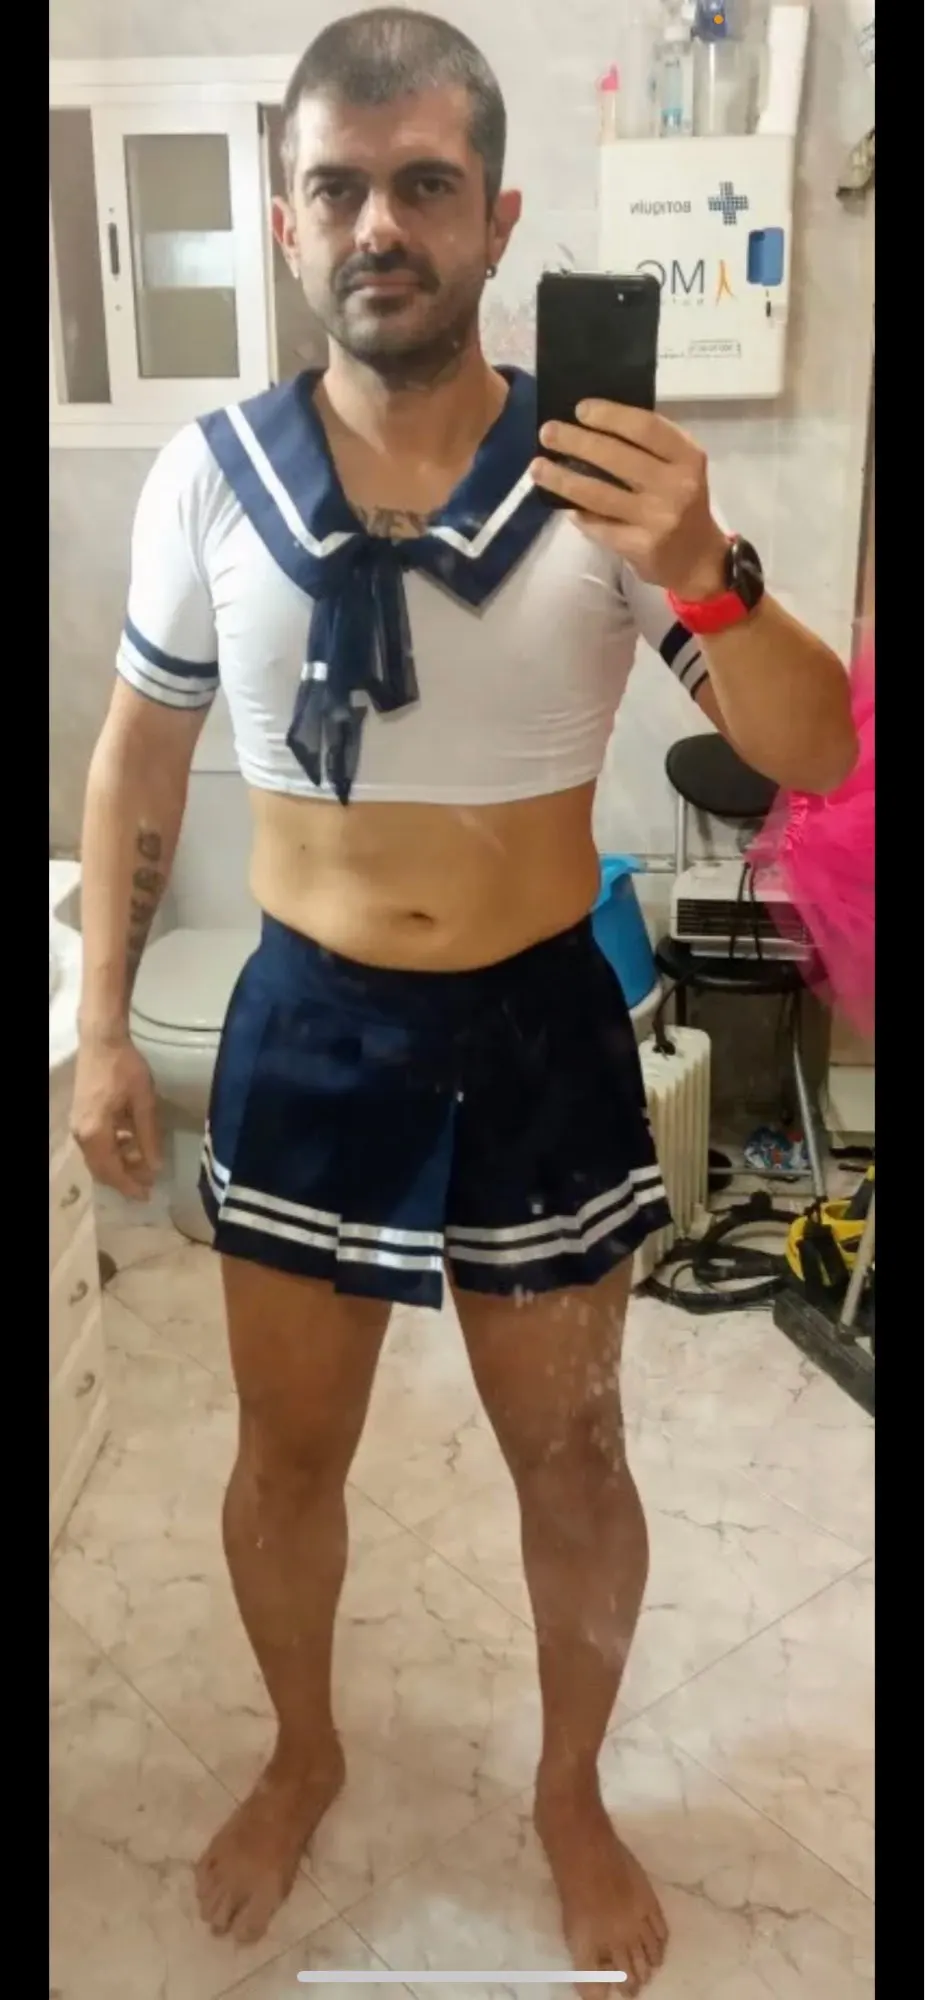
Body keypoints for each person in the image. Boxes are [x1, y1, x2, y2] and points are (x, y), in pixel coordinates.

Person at [71, 9, 857, 1992]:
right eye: (338, 187)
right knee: (286, 1457)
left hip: (535, 1032)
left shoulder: (609, 483)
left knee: (574, 1454)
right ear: (284, 219)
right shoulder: (210, 480)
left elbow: (822, 747)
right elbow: (137, 761)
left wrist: (709, 562)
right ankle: (304, 1749)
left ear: (500, 219)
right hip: (307, 1029)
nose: (379, 225)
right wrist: (101, 1029)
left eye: (425, 184)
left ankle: (573, 1791)